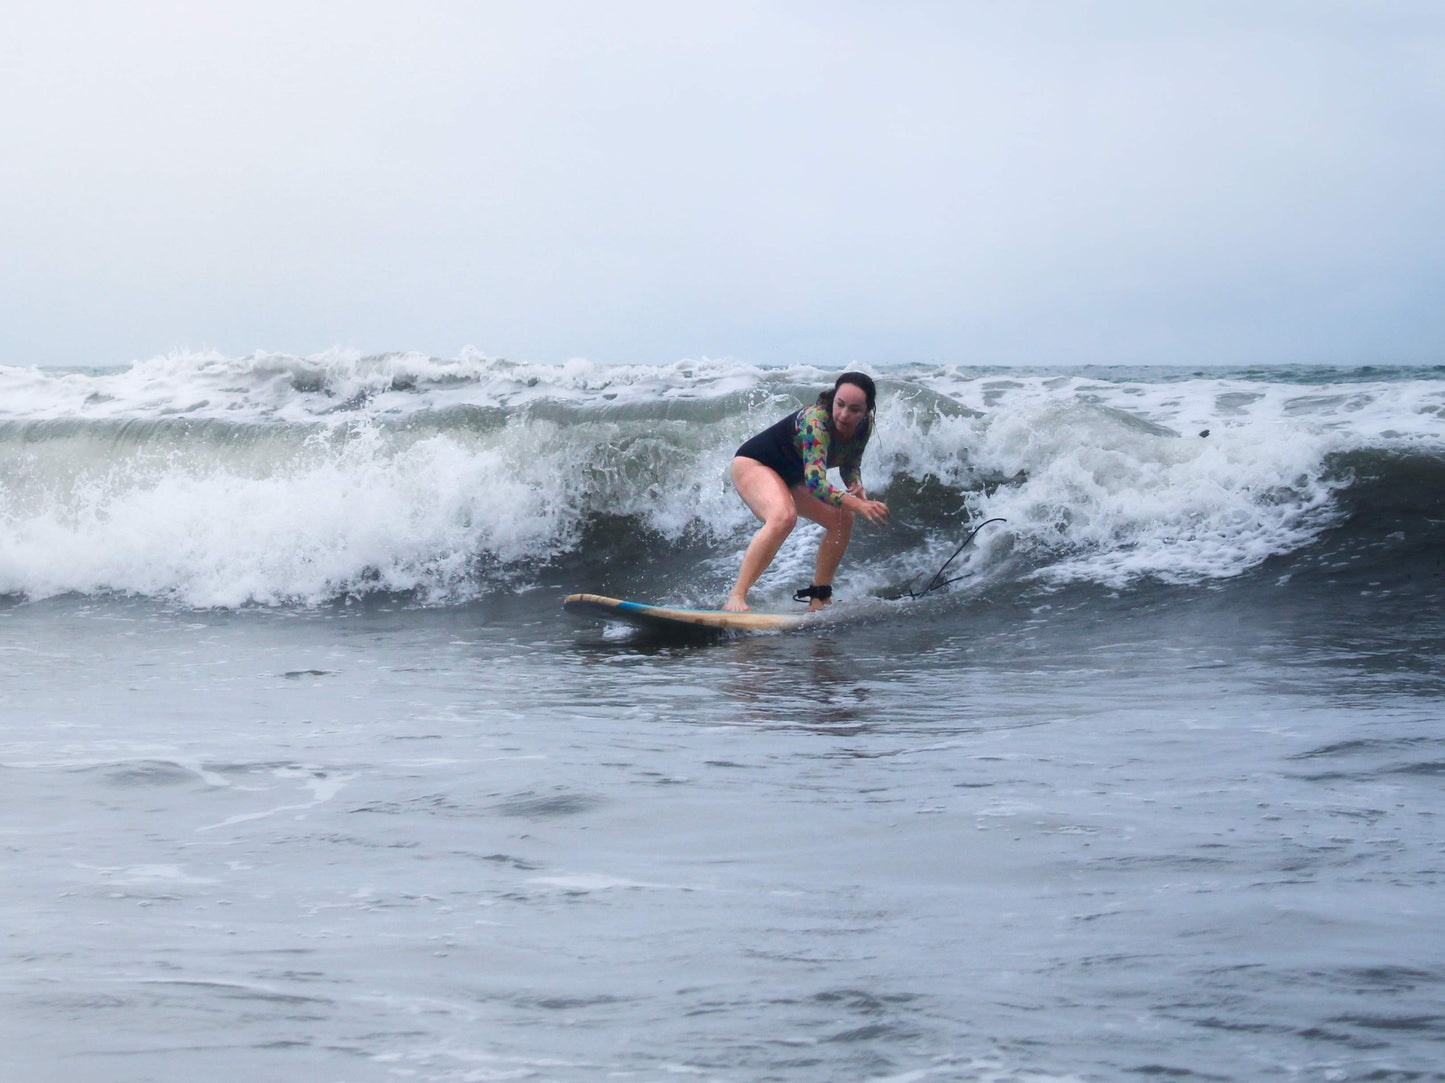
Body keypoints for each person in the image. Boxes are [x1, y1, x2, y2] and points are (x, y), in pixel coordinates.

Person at [723, 372, 890, 612]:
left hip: (791, 476)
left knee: (842, 519)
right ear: (833, 399)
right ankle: (736, 597)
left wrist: (855, 484)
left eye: (854, 409)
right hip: (755, 464)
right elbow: (816, 485)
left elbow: (850, 463)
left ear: (866, 410)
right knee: (783, 517)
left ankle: (819, 598)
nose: (844, 414)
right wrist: (860, 505)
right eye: (840, 404)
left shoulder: (865, 425)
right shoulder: (816, 423)